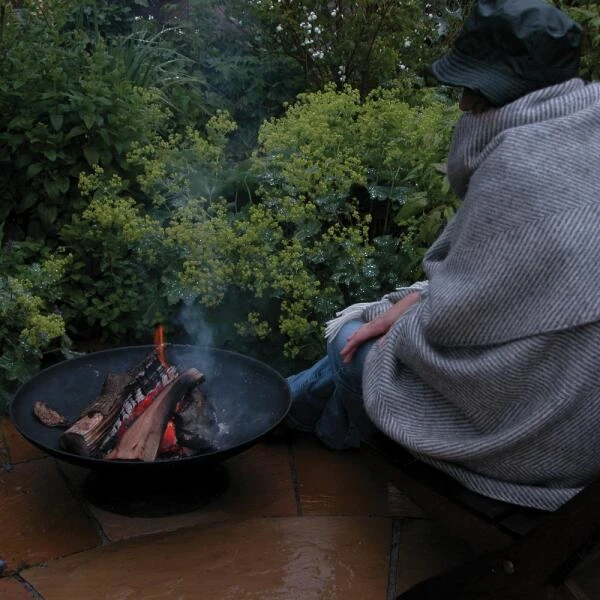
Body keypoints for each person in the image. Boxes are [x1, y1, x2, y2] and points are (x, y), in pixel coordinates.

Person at [285, 0, 600, 512]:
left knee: (350, 343)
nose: (462, 106)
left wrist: (402, 315)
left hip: (546, 436)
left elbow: (449, 323)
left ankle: (302, 419)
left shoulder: (519, 165)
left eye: (474, 92)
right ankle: (291, 407)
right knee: (384, 322)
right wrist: (410, 306)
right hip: (581, 409)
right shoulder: (586, 131)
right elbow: (516, 290)